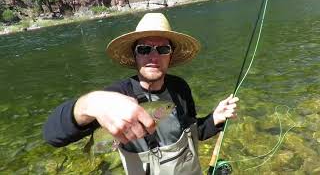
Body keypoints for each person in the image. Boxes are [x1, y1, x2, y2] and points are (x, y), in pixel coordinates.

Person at [43, 13, 239, 175]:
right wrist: (90, 104)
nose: (153, 56)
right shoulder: (116, 96)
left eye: (163, 49)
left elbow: (194, 132)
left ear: (171, 55)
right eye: (144, 49)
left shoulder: (180, 88)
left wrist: (215, 118)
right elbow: (53, 135)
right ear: (134, 55)